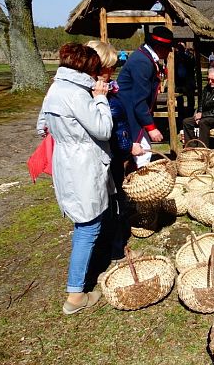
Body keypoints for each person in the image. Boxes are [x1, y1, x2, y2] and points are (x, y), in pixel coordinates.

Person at [37, 43, 112, 315]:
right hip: (82, 164)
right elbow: (103, 129)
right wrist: (101, 99)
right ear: (87, 67)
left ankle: (80, 282)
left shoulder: (55, 88)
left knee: (85, 221)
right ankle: (75, 295)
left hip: (66, 161)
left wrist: (64, 133)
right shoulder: (77, 93)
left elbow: (41, 126)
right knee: (87, 226)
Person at [85, 40, 133, 265]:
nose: (113, 71)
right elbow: (108, 130)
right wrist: (127, 147)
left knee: (113, 202)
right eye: (109, 67)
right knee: (114, 204)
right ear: (97, 66)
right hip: (109, 158)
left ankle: (113, 245)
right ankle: (115, 251)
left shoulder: (107, 90)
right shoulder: (100, 96)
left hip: (112, 155)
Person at [116, 26, 174, 168]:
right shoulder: (142, 61)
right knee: (142, 154)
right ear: (159, 47)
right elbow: (139, 99)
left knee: (141, 152)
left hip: (132, 111)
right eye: (168, 48)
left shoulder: (144, 57)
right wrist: (151, 127)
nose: (169, 52)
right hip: (130, 112)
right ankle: (140, 186)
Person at [182, 67, 214, 148]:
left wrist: (202, 116)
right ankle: (191, 147)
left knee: (203, 122)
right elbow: (201, 103)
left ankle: (203, 148)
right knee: (186, 121)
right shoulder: (206, 88)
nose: (210, 82)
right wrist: (199, 113)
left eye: (212, 80)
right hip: (206, 115)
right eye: (208, 79)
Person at [174, 42, 196, 116]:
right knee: (180, 97)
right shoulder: (175, 58)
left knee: (189, 97)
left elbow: (193, 65)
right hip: (180, 82)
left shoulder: (188, 56)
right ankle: (183, 112)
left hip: (187, 82)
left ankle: (189, 112)